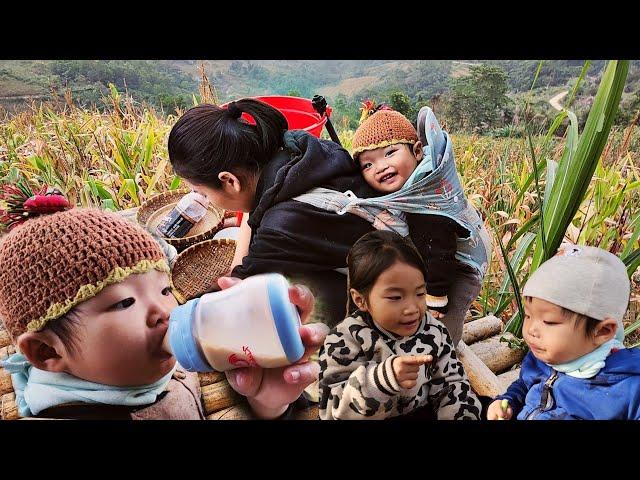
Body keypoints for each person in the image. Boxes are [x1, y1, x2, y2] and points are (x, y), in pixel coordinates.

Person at [0, 205, 325, 419]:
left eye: (165, 290)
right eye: (124, 302)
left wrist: (267, 403)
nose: (164, 312)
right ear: (46, 351)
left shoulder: (134, 366)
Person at [167, 99, 381, 327]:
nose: (205, 200)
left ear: (229, 181)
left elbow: (225, 300)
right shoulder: (298, 147)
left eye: (202, 192)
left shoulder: (279, 228)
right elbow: (255, 215)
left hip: (379, 295)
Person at [296, 104, 491, 345]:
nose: (380, 167)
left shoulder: (426, 200)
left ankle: (441, 356)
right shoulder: (407, 189)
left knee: (443, 323)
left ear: (417, 151)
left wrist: (436, 297)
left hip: (460, 268)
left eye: (390, 153)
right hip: (431, 258)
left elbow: (438, 250)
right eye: (368, 164)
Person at [318, 230, 481, 420]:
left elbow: (453, 385)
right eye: (395, 297)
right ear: (360, 300)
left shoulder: (434, 332)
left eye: (420, 294)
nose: (412, 308)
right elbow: (331, 411)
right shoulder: (343, 340)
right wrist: (382, 380)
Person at [487, 245, 640, 420]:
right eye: (528, 316)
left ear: (602, 332)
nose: (531, 330)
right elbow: (524, 385)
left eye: (549, 322)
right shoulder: (542, 358)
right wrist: (508, 402)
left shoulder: (628, 389)